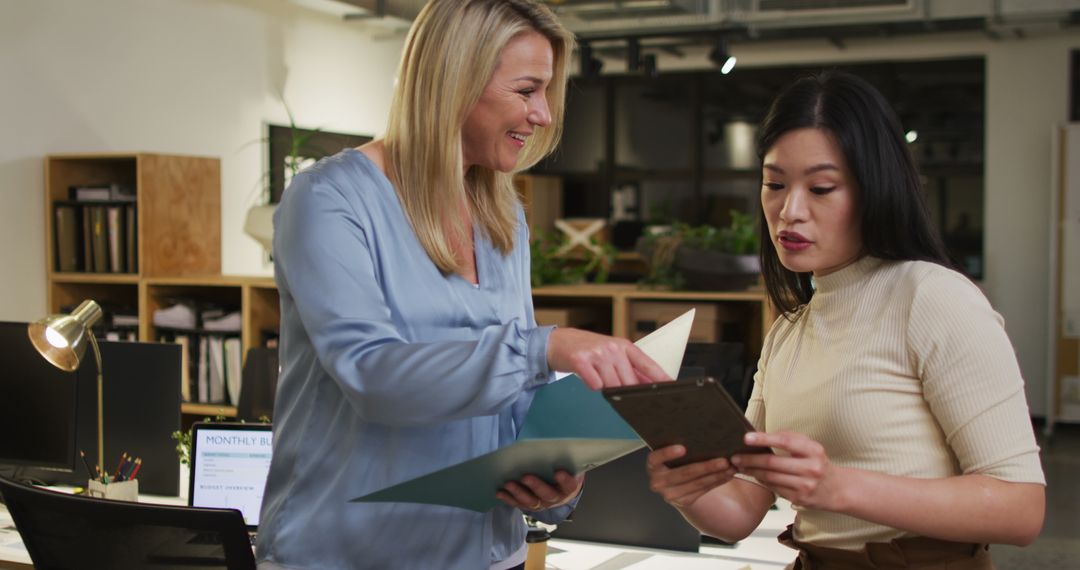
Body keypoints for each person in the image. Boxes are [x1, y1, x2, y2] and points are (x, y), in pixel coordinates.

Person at [255, 1, 670, 569]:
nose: (544, 114)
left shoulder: (504, 217)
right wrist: (544, 346)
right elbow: (372, 375)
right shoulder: (329, 200)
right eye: (527, 90)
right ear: (457, 80)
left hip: (490, 555)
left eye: (547, 92)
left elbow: (510, 398)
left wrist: (554, 482)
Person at [645, 71, 1046, 569]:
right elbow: (742, 509)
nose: (789, 210)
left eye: (821, 188)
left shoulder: (932, 297)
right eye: (774, 184)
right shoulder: (790, 329)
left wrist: (839, 486)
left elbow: (1020, 509)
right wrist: (686, 490)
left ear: (875, 190)